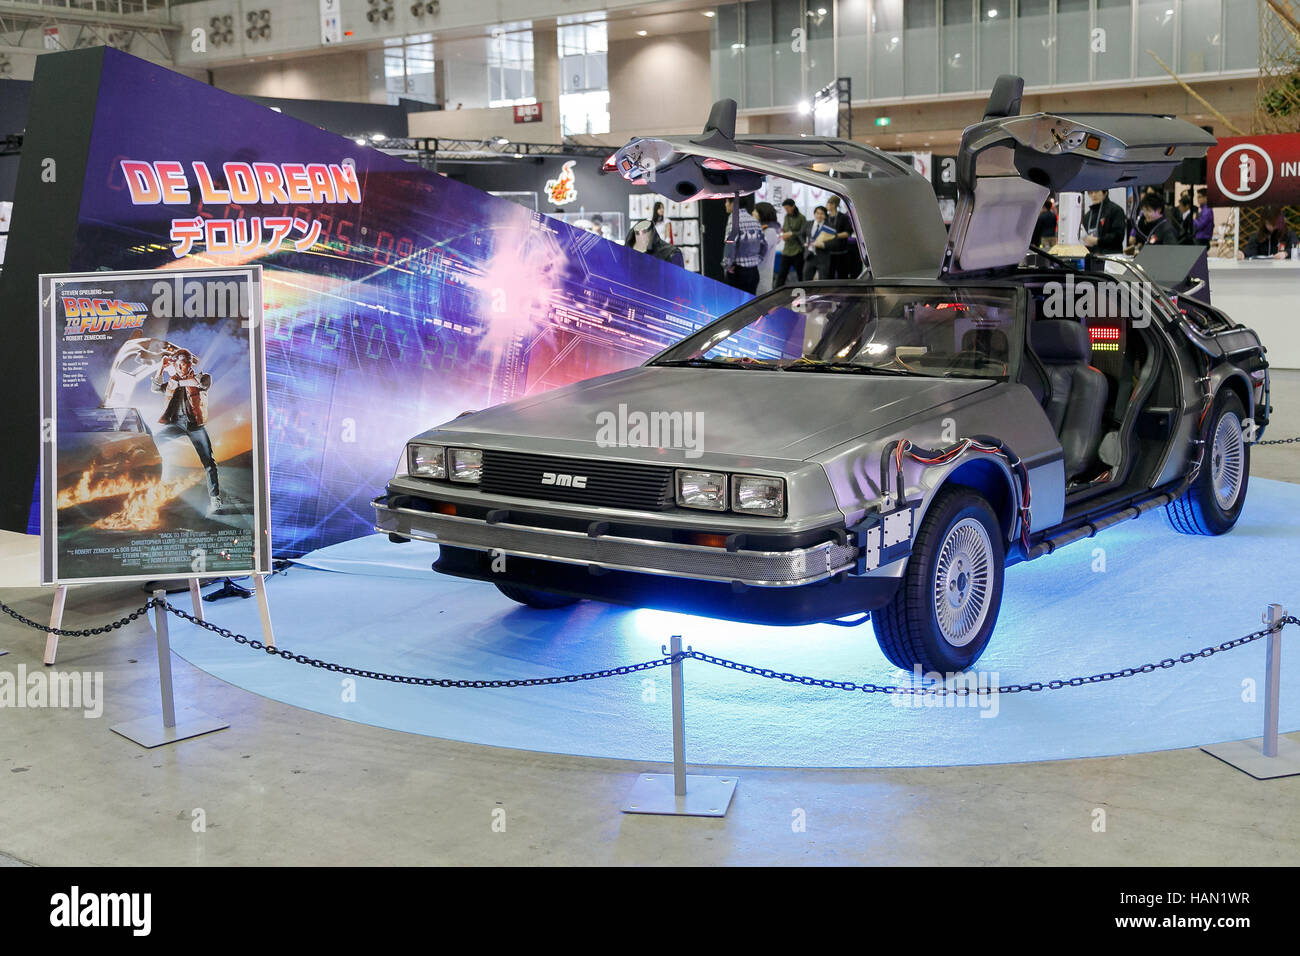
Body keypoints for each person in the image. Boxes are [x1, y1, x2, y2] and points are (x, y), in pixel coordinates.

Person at [151, 348, 221, 514]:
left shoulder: (202, 377)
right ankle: (160, 480)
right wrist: (161, 367)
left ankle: (215, 498)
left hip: (195, 426)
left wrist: (180, 383)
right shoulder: (171, 382)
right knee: (153, 441)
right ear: (175, 366)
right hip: (175, 424)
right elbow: (155, 388)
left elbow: (201, 384)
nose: (183, 367)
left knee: (209, 462)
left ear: (190, 364)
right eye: (179, 364)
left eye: (186, 364)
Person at [721, 195, 766, 294]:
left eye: (726, 201)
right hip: (754, 271)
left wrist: (727, 265)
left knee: (738, 304)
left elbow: (730, 244)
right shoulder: (754, 220)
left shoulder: (733, 220)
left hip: (739, 272)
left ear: (733, 203)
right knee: (751, 303)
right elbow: (764, 244)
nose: (725, 205)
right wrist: (758, 259)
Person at [1081, 189, 1126, 255]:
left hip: (1111, 257)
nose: (1093, 195)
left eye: (1096, 191)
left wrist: (1097, 241)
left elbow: (1118, 236)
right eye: (1090, 192)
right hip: (1093, 258)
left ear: (1105, 193)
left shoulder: (1115, 210)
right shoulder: (1087, 216)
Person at [824, 195, 858, 278]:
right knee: (829, 276)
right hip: (828, 253)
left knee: (842, 275)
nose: (826, 206)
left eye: (828, 203)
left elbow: (848, 233)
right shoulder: (826, 217)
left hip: (841, 252)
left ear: (833, 205)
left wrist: (834, 236)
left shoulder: (843, 217)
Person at [775, 198, 806, 287]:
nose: (786, 210)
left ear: (793, 206)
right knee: (781, 274)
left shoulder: (801, 218)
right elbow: (784, 229)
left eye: (787, 208)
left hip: (797, 250)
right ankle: (777, 291)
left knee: (800, 274)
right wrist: (783, 235)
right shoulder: (786, 217)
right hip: (787, 250)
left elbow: (804, 233)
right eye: (785, 208)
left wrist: (792, 234)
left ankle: (803, 290)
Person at [753, 201, 781, 294]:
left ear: (762, 213)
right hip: (756, 274)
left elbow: (759, 250)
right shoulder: (761, 229)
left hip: (762, 275)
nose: (752, 212)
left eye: (755, 210)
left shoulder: (770, 231)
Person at [802, 205, 837, 281]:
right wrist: (804, 243)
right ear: (814, 214)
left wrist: (824, 245)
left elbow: (834, 242)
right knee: (806, 280)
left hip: (823, 258)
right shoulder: (808, 224)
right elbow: (801, 235)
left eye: (821, 214)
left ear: (825, 216)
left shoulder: (830, 227)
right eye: (817, 213)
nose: (819, 215)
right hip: (809, 256)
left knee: (823, 282)